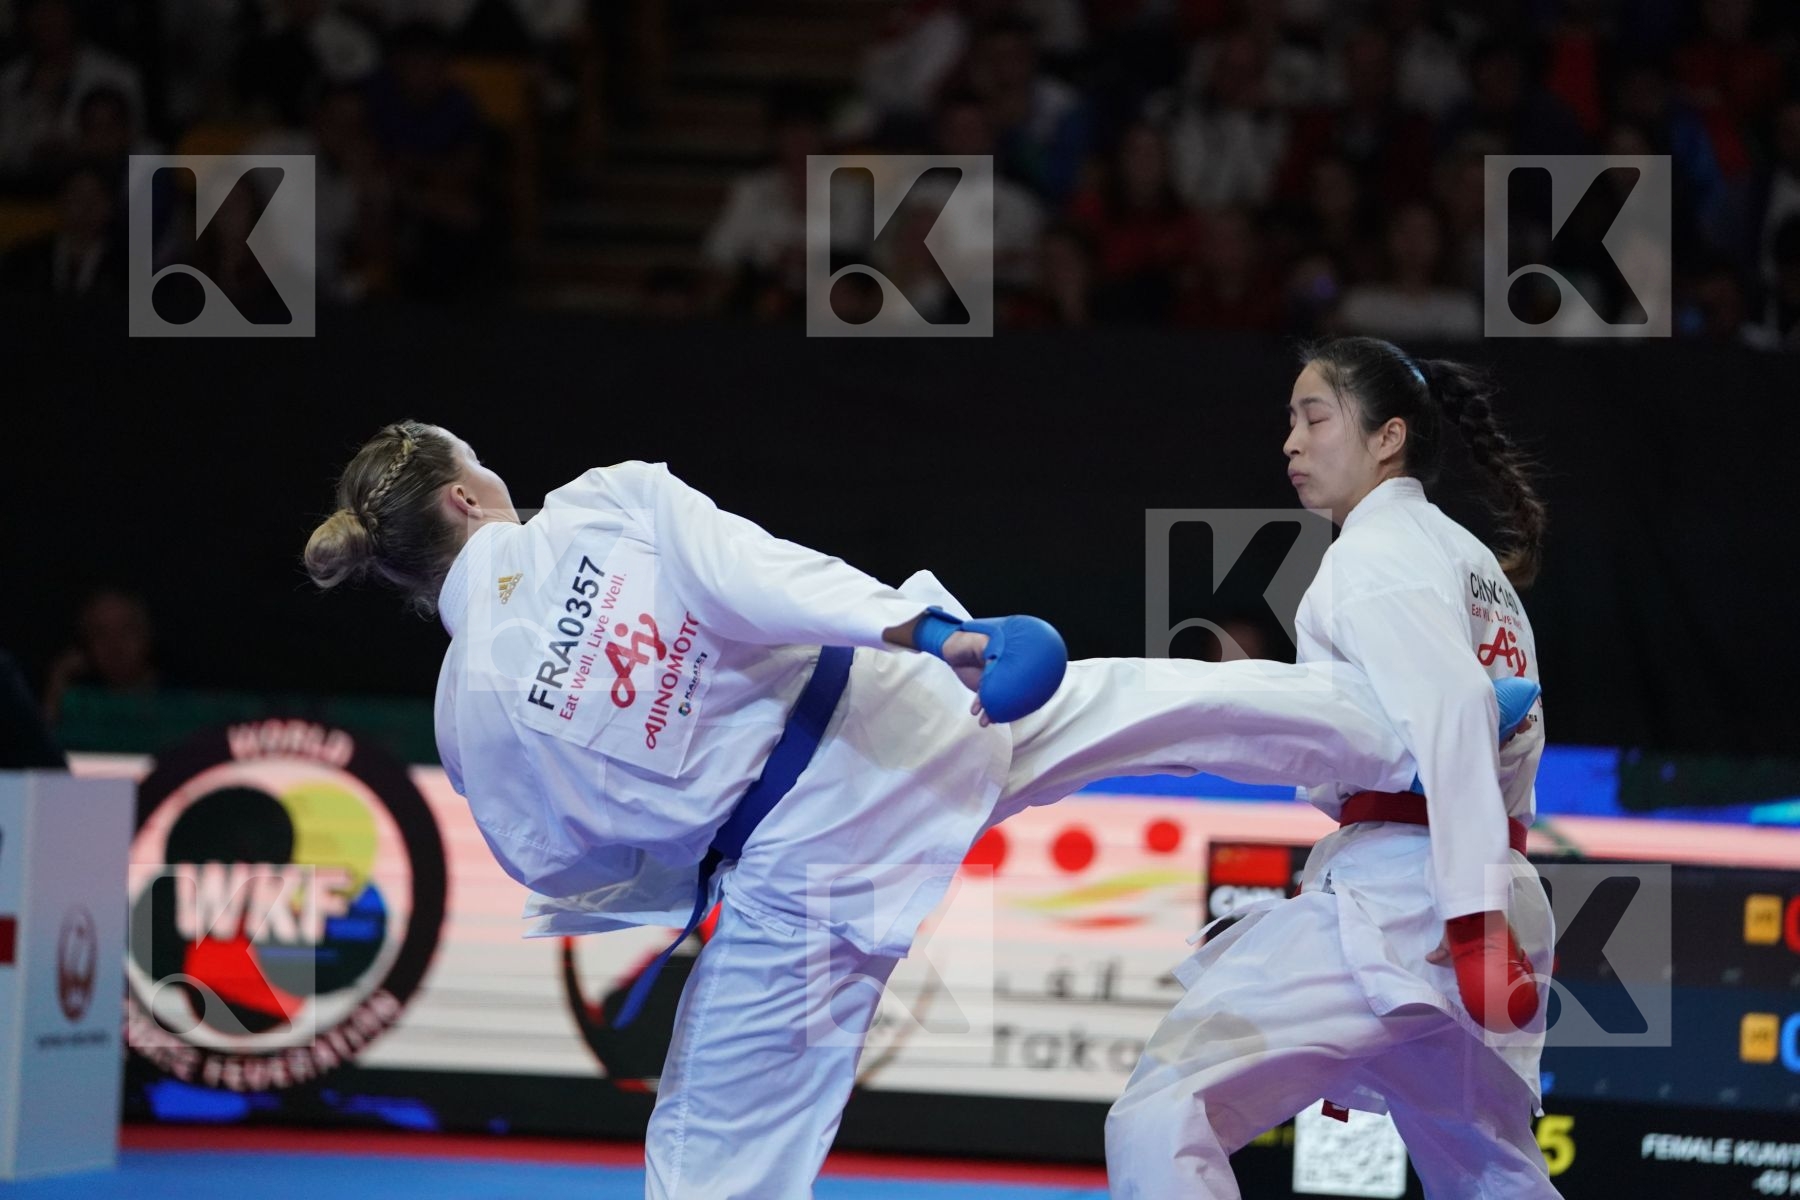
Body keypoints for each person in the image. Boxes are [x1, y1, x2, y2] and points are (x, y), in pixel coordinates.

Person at [303, 421, 1531, 1200]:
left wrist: (689, 861)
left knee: (714, 1155)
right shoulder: (599, 505)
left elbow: (559, 864)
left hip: (798, 871)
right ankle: (1421, 726)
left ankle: (1406, 726)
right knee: (1151, 706)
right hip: (899, 712)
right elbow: (761, 575)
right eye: (476, 459)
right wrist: (933, 631)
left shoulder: (470, 718)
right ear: (467, 500)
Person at [1106, 336, 1555, 1199]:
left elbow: (1459, 712)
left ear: (1388, 438)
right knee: (1488, 1174)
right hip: (1480, 879)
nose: (1292, 442)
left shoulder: (1372, 558)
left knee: (1166, 1107)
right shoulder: (1467, 560)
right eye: (1289, 421)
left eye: (1315, 417)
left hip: (1405, 898)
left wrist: (1473, 926)